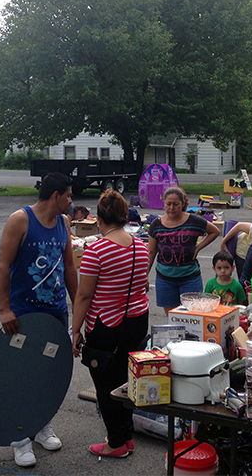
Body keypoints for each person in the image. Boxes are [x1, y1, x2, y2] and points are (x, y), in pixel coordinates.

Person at [0, 172, 79, 468]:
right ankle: (20, 437)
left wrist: (78, 308)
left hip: (55, 312)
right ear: (56, 196)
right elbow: (3, 266)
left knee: (47, 374)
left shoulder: (64, 222)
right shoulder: (20, 220)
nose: (71, 201)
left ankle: (42, 425)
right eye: (68, 196)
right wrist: (4, 309)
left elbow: (69, 267)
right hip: (24, 314)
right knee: (21, 375)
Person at [72, 190, 150, 458]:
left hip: (107, 325)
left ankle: (115, 443)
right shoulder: (140, 246)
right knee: (127, 380)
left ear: (100, 219)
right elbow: (142, 285)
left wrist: (75, 330)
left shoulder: (96, 250)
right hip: (137, 321)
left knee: (105, 384)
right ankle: (126, 436)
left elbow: (84, 295)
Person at [147, 187, 220, 314]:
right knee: (171, 316)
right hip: (165, 279)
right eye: (168, 204)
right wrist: (144, 276)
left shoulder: (194, 221)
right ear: (164, 203)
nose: (171, 207)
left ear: (183, 203)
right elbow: (151, 252)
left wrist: (198, 247)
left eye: (175, 204)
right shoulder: (156, 225)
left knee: (193, 315)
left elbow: (215, 231)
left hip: (190, 278)